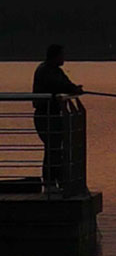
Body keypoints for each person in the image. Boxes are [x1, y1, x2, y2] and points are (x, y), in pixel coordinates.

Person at [32, 44, 84, 191]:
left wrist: (75, 88)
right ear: (55, 56)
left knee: (55, 148)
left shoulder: (56, 71)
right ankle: (49, 183)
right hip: (45, 115)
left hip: (54, 114)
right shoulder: (44, 70)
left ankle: (56, 181)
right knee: (52, 147)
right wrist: (72, 89)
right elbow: (57, 85)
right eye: (62, 55)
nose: (64, 58)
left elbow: (65, 83)